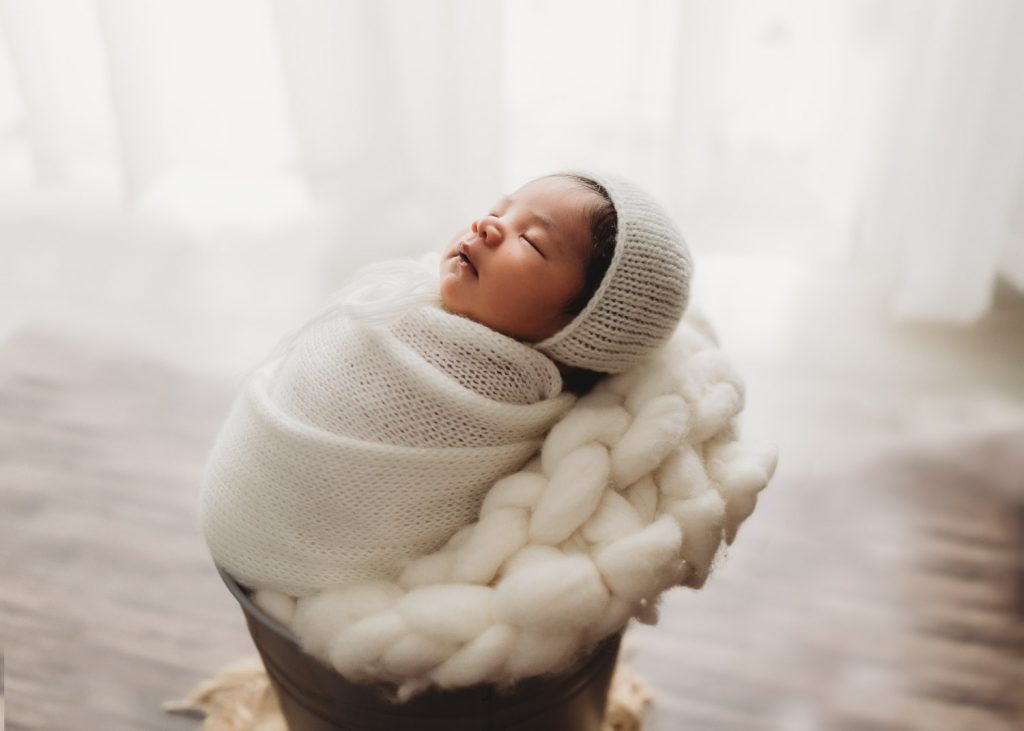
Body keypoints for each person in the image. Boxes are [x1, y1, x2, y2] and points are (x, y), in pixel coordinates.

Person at [199, 170, 692, 597]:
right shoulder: (406, 295)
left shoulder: (500, 393)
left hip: (308, 557)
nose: (489, 226)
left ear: (580, 328)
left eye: (532, 241)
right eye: (500, 209)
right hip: (247, 493)